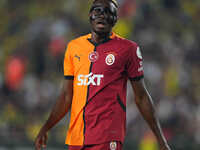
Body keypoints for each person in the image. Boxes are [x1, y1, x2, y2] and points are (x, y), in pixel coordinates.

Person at [35, 0, 171, 150]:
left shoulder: (128, 49)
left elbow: (141, 97)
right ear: (90, 16)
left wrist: (160, 139)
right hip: (76, 138)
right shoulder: (74, 48)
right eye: (98, 11)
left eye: (108, 12)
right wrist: (46, 126)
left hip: (107, 136)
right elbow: (67, 96)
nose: (102, 15)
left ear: (115, 19)